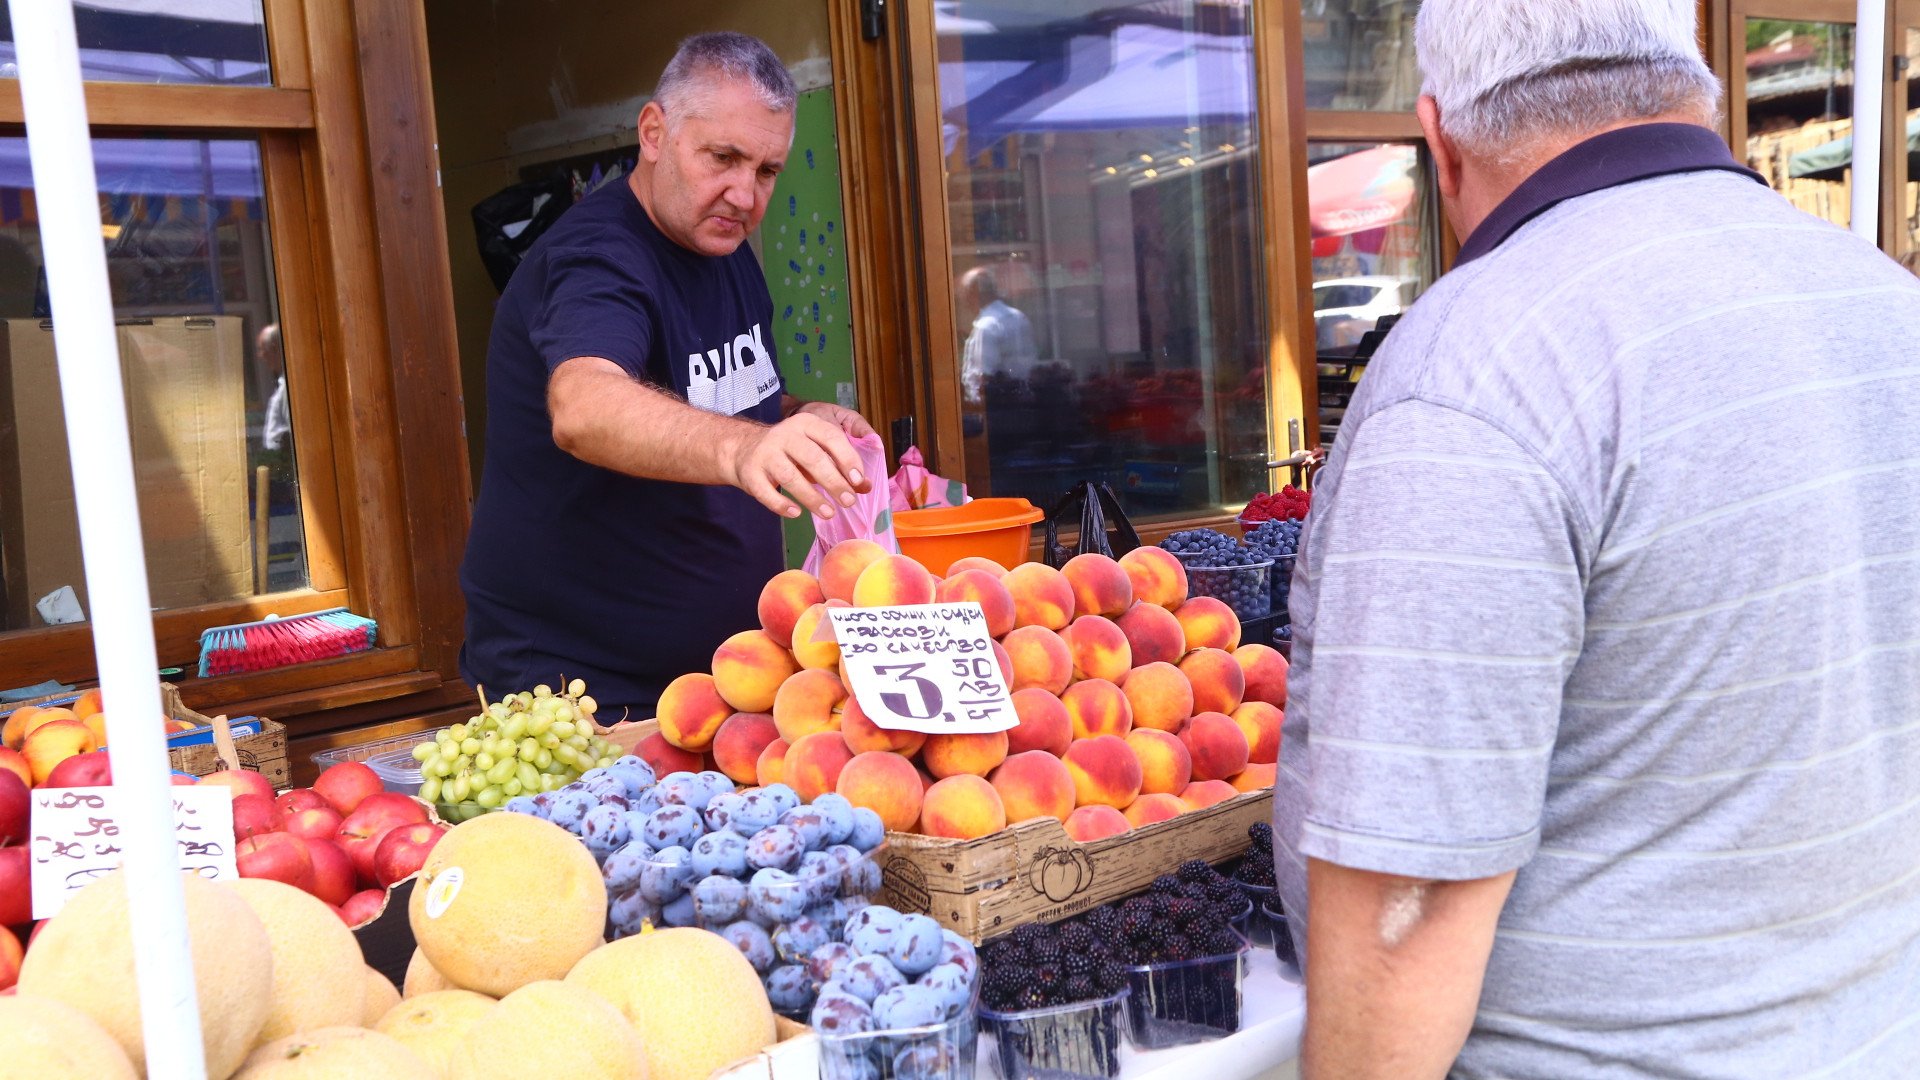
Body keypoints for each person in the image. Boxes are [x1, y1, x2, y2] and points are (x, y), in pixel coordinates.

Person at [1274, 1, 1920, 1076]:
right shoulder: (1889, 309)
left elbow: (1410, 902)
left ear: (1440, 141)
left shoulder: (1480, 367)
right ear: (1693, 86)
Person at [460, 33, 874, 720]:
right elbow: (584, 406)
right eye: (723, 157)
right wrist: (744, 450)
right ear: (654, 132)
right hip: (583, 695)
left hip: (716, 683)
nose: (744, 193)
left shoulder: (723, 243)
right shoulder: (597, 258)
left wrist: (793, 417)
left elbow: (719, 392)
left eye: (767, 170)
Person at [958, 265, 1039, 404]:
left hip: (996, 407)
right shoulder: (1018, 317)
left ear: (974, 293)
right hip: (1024, 401)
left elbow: (983, 377)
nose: (964, 300)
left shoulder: (986, 326)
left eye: (965, 293)